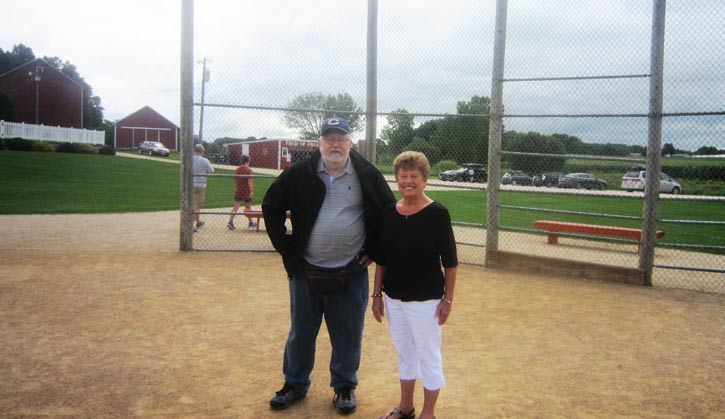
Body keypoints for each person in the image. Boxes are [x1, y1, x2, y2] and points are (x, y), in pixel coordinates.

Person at [262, 117, 395, 414]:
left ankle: (344, 386)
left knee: (348, 333)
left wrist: (375, 249)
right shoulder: (300, 173)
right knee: (301, 332)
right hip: (305, 271)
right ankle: (294, 384)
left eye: (341, 139)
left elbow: (389, 211)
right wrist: (287, 248)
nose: (335, 144)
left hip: (350, 271)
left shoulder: (366, 174)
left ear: (350, 143)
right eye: (329, 138)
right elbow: (271, 206)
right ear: (319, 143)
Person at [372, 151, 458, 419]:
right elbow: (382, 259)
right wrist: (377, 295)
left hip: (426, 300)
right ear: (396, 179)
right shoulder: (389, 213)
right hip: (394, 298)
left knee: (428, 356)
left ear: (425, 180)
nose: (408, 181)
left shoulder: (437, 214)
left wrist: (448, 300)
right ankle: (406, 406)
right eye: (403, 176)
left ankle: (428, 412)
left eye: (414, 176)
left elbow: (451, 262)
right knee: (405, 353)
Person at [227, 154, 256, 230]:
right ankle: (250, 222)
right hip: (246, 191)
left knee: (235, 207)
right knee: (248, 207)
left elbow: (236, 182)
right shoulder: (249, 170)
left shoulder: (237, 170)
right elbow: (250, 181)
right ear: (248, 160)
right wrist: (252, 190)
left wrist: (235, 189)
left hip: (239, 190)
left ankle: (230, 221)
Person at [193, 144, 214, 231]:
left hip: (189, 184)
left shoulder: (189, 159)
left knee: (192, 204)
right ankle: (192, 224)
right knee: (197, 205)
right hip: (200, 185)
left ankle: (198, 222)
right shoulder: (204, 160)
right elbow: (211, 171)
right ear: (202, 152)